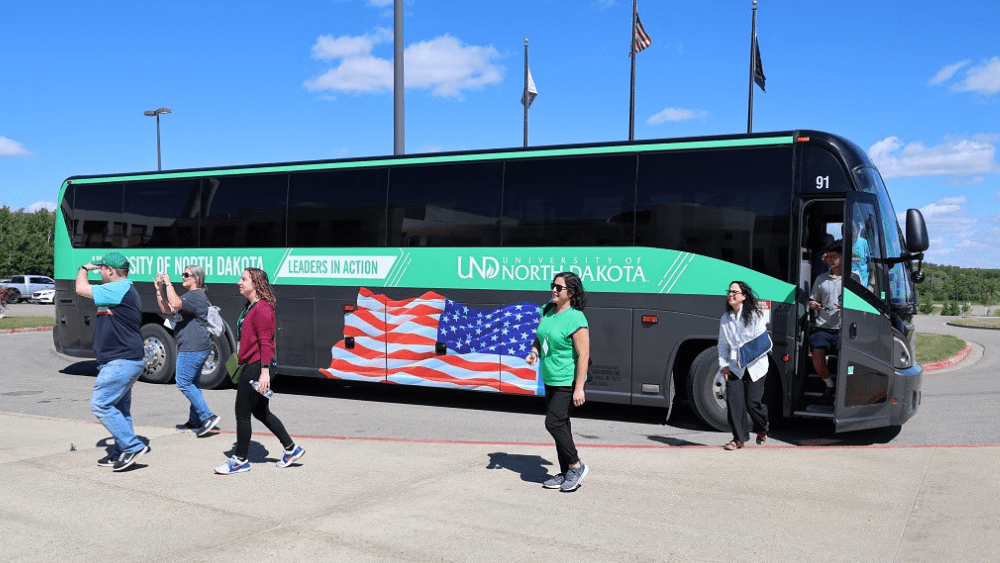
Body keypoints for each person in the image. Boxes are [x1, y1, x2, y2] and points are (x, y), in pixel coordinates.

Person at [215, 267, 304, 475]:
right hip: (254, 364)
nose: (239, 282)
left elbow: (266, 343)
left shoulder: (262, 309)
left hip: (257, 367)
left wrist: (264, 372)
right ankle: (291, 449)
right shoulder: (251, 307)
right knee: (260, 411)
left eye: (244, 279)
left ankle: (239, 460)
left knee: (242, 413)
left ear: (255, 283)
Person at [75, 251, 149, 471]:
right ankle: (121, 451)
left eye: (102, 269)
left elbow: (80, 289)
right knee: (119, 409)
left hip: (121, 361)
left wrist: (84, 268)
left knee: (101, 403)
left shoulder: (119, 288)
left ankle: (132, 446)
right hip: (124, 360)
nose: (100, 272)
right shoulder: (122, 289)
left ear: (110, 270)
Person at [525, 271, 590, 491]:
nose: (554, 289)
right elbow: (541, 336)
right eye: (553, 285)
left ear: (571, 293)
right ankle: (565, 473)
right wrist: (534, 352)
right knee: (562, 425)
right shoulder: (548, 310)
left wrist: (579, 387)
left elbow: (583, 355)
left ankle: (576, 466)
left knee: (553, 423)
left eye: (559, 287)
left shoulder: (576, 318)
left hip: (566, 380)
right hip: (550, 377)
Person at [154, 265, 221, 437]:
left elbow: (175, 303)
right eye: (182, 274)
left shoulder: (196, 295)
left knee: (183, 381)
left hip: (193, 346)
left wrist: (168, 284)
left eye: (186, 275)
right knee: (193, 384)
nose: (182, 277)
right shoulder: (190, 296)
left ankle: (207, 416)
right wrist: (159, 290)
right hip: (196, 346)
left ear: (196, 279)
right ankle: (195, 420)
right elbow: (167, 309)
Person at [718, 280, 770, 450]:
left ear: (744, 296)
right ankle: (738, 439)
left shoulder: (755, 316)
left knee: (752, 403)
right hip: (734, 366)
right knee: (734, 402)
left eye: (735, 292)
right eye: (729, 291)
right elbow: (722, 343)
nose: (731, 294)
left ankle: (762, 427)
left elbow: (763, 343)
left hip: (756, 366)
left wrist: (743, 355)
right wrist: (723, 364)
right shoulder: (725, 318)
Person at [809, 241, 843, 403]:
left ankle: (843, 389)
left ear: (842, 258)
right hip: (823, 326)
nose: (830, 260)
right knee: (817, 356)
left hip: (844, 328)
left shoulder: (853, 278)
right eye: (828, 257)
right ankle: (829, 384)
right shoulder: (821, 279)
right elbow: (813, 300)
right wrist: (813, 304)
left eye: (834, 257)